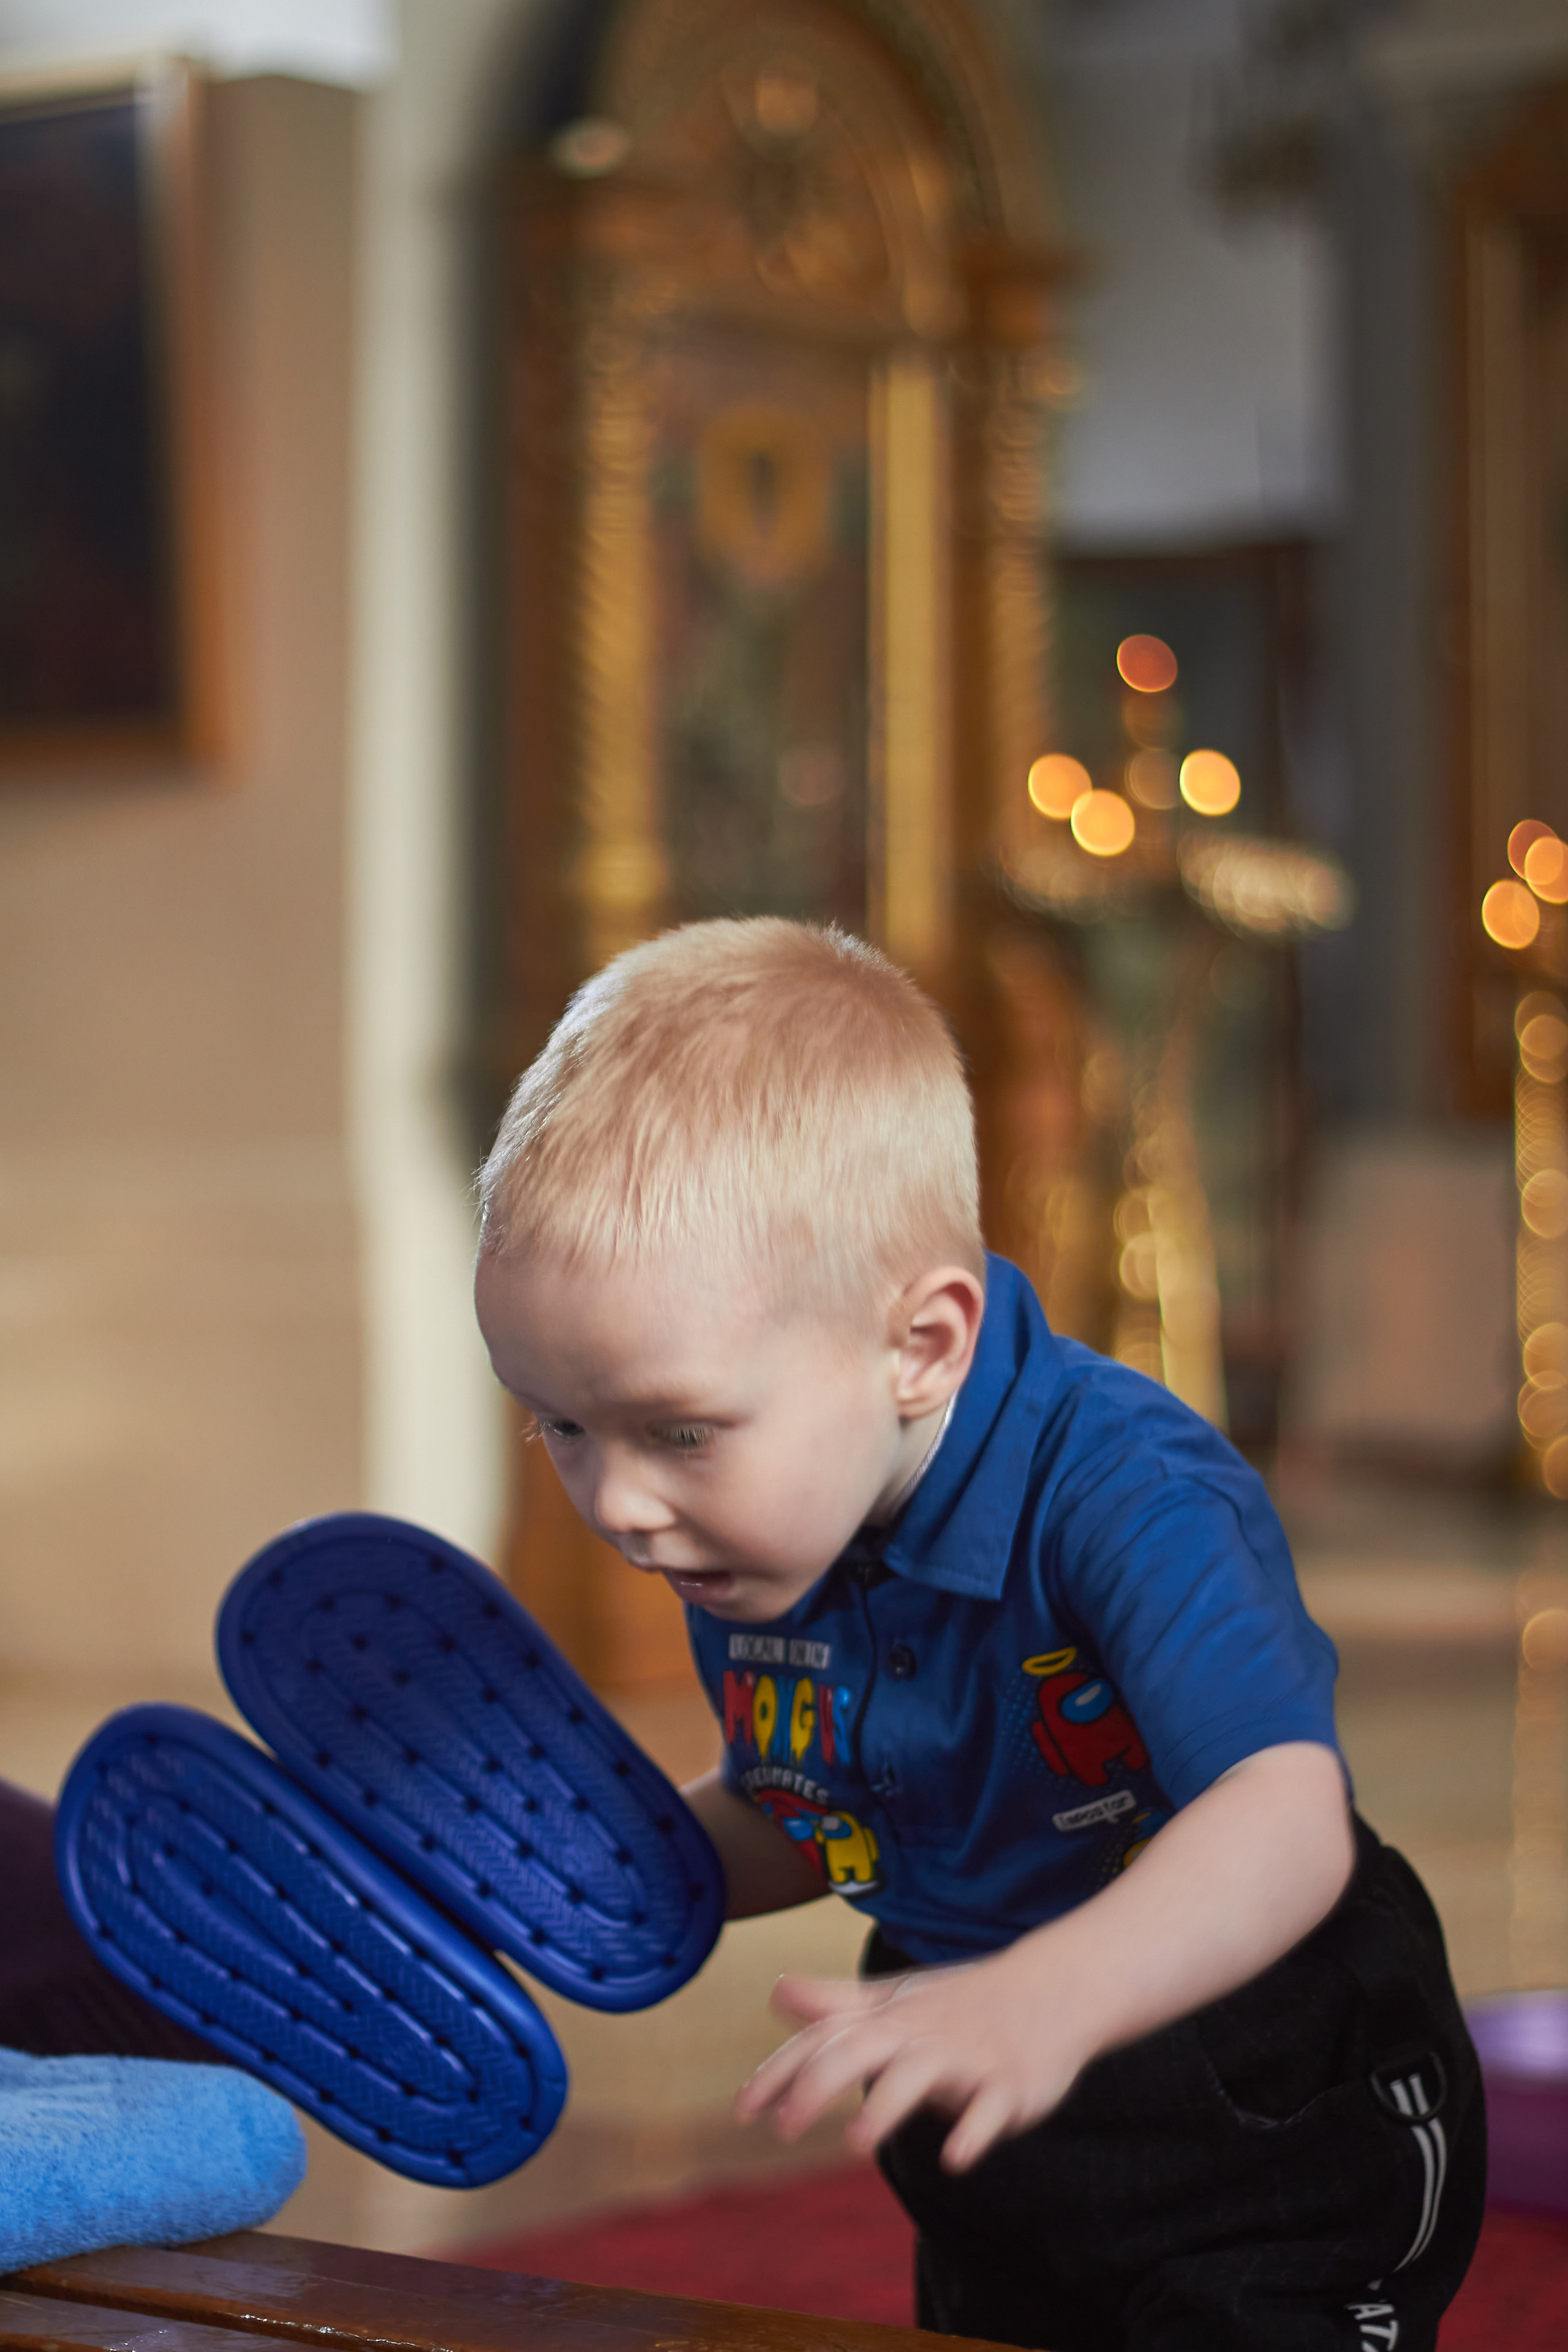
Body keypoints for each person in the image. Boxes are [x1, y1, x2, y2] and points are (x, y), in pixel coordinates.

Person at [473, 916, 1483, 2352]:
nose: (618, 1503)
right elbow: (809, 1805)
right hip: (980, 2084)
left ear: (920, 1346)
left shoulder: (1125, 1491)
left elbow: (1283, 1817)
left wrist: (1039, 2001)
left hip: (1263, 2079)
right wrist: (595, 1864)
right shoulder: (760, 1539)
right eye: (558, 1424)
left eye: (676, 1429)